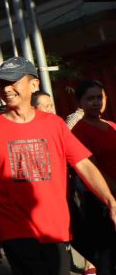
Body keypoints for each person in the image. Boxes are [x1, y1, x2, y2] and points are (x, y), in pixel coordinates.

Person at [0, 57, 116, 275]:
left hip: (55, 228)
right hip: (15, 230)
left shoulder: (54, 125)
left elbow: (83, 163)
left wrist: (110, 200)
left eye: (13, 82)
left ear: (34, 85)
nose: (6, 89)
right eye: (2, 83)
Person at [70, 80, 116, 275]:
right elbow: (92, 168)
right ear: (80, 103)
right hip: (100, 199)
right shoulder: (79, 130)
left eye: (99, 97)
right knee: (107, 254)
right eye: (90, 98)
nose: (96, 102)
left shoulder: (112, 125)